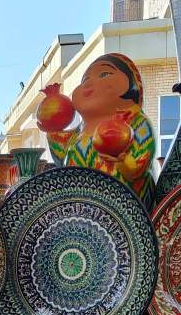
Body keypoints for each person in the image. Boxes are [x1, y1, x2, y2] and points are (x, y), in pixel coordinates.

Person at [43, 53, 155, 206]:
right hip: (80, 209)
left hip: (125, 207)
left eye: (104, 74)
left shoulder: (135, 121)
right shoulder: (79, 132)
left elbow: (139, 165)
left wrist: (124, 162)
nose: (88, 83)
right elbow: (61, 159)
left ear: (130, 82)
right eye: (85, 80)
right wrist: (53, 125)